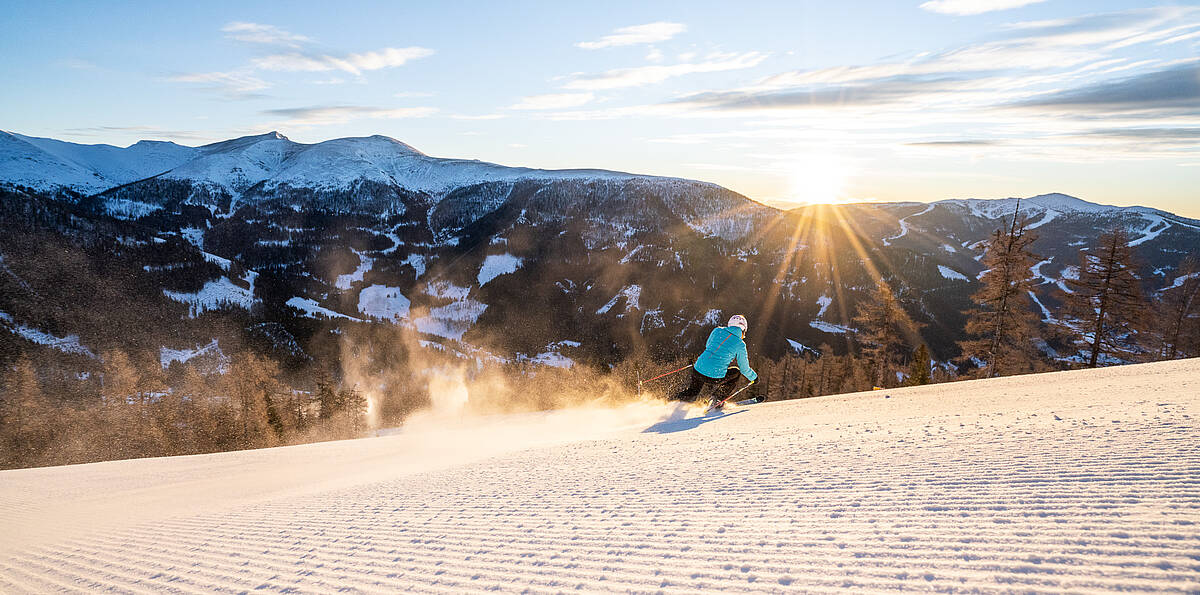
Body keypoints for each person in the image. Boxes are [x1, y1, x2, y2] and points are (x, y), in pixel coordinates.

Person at [672, 314, 757, 407]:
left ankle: (674, 402)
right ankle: (717, 399)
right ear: (743, 329)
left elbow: (708, 346)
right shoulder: (740, 344)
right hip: (715, 376)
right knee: (736, 372)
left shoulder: (717, 331)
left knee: (693, 391)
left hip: (698, 369)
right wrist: (754, 378)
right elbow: (744, 368)